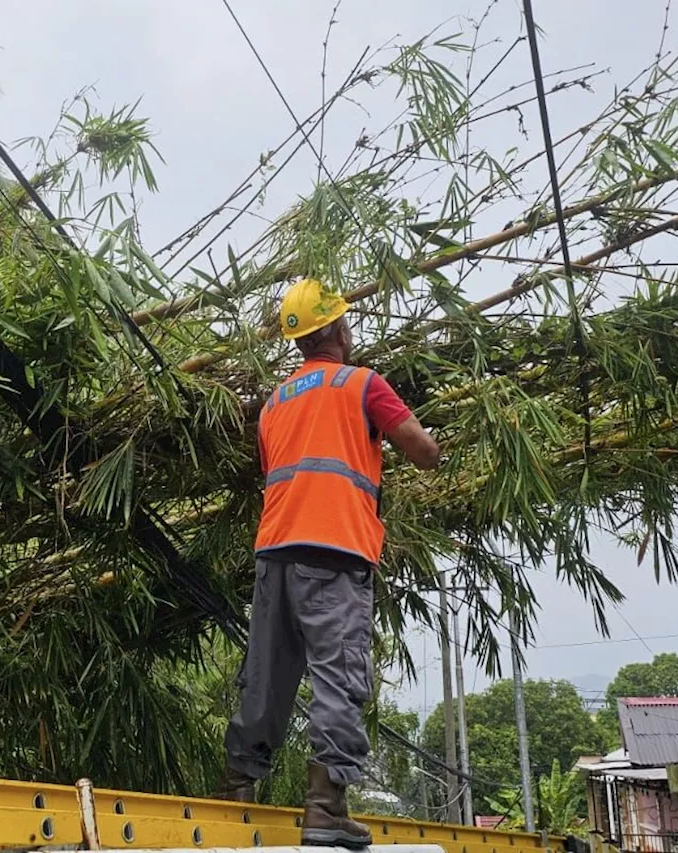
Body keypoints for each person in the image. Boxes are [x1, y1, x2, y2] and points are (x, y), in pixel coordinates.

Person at [215, 278, 440, 848]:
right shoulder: (362, 383)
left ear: (298, 344)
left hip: (275, 551)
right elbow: (424, 451)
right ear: (339, 329)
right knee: (338, 678)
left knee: (266, 673)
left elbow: (279, 466)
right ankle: (325, 806)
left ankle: (237, 790)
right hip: (336, 551)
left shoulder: (273, 404)